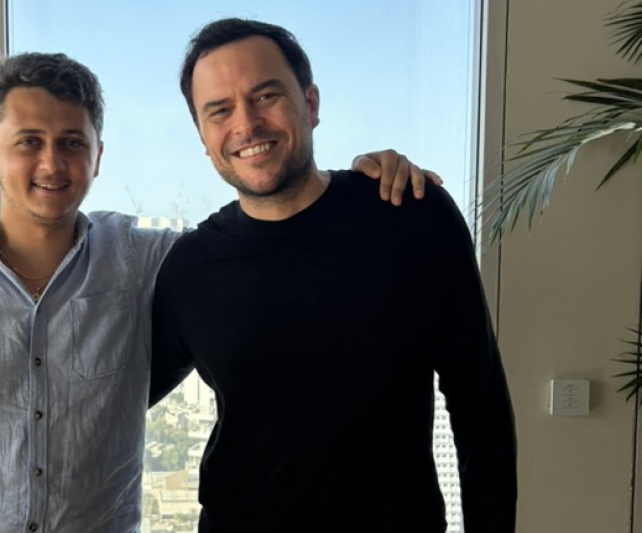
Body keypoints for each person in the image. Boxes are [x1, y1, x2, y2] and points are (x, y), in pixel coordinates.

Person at [0, 50, 438, 533]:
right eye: (29, 141)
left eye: (72, 142)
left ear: (98, 157)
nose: (52, 163)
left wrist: (352, 187)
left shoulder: (146, 261)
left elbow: (258, 240)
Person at [148, 18, 517, 533]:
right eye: (220, 110)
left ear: (311, 103)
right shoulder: (189, 266)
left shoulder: (409, 214)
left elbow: (480, 404)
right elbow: (112, 400)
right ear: (203, 136)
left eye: (266, 95)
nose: (247, 124)